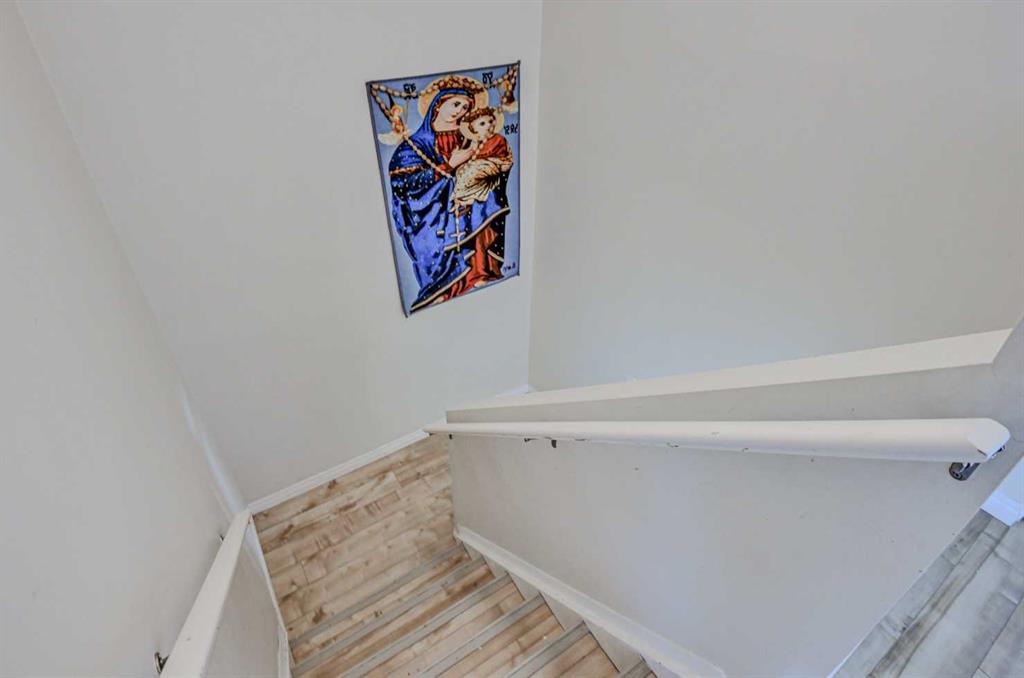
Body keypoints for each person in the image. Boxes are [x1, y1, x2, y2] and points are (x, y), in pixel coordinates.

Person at [387, 81, 511, 312]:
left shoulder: (470, 138)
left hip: (466, 203)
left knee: (487, 199)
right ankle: (443, 286)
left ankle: (480, 271)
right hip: (431, 215)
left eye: (465, 108)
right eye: (455, 104)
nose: (460, 111)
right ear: (437, 105)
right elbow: (404, 185)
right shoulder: (413, 146)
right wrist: (449, 166)